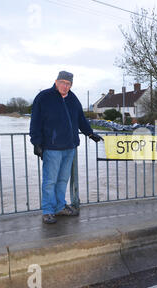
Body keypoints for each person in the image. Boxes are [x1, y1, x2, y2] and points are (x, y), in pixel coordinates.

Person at [30, 71, 104, 224]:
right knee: (50, 181)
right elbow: (35, 121)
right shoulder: (44, 97)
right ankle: (48, 211)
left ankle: (59, 207)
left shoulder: (73, 98)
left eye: (69, 84)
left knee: (63, 179)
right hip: (52, 147)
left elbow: (80, 119)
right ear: (56, 81)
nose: (65, 86)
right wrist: (36, 142)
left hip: (70, 147)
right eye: (63, 82)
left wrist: (90, 134)